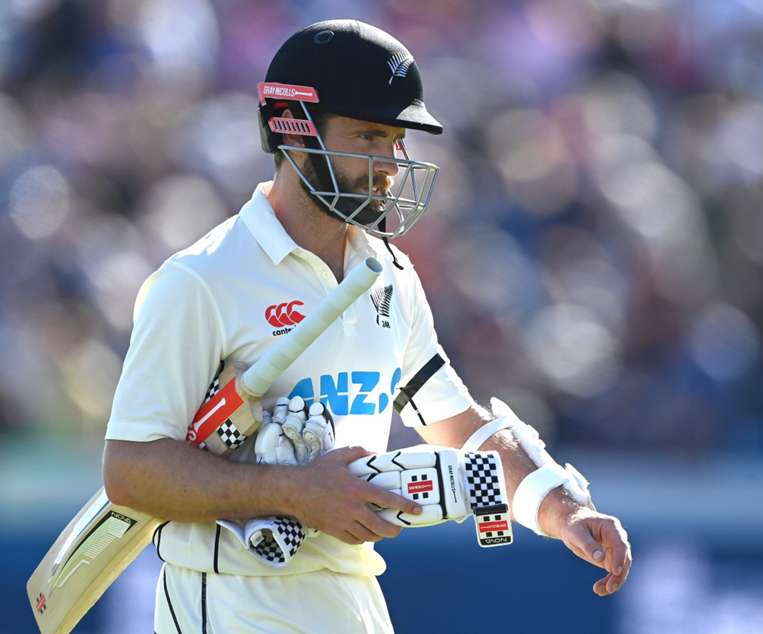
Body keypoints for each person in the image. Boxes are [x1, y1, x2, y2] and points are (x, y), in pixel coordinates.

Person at [102, 18, 631, 633]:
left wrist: (562, 510)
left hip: (353, 598)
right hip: (231, 601)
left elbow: (459, 427)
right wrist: (294, 492)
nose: (388, 164)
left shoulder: (388, 276)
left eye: (395, 140)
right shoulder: (201, 280)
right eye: (368, 136)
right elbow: (130, 470)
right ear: (294, 129)